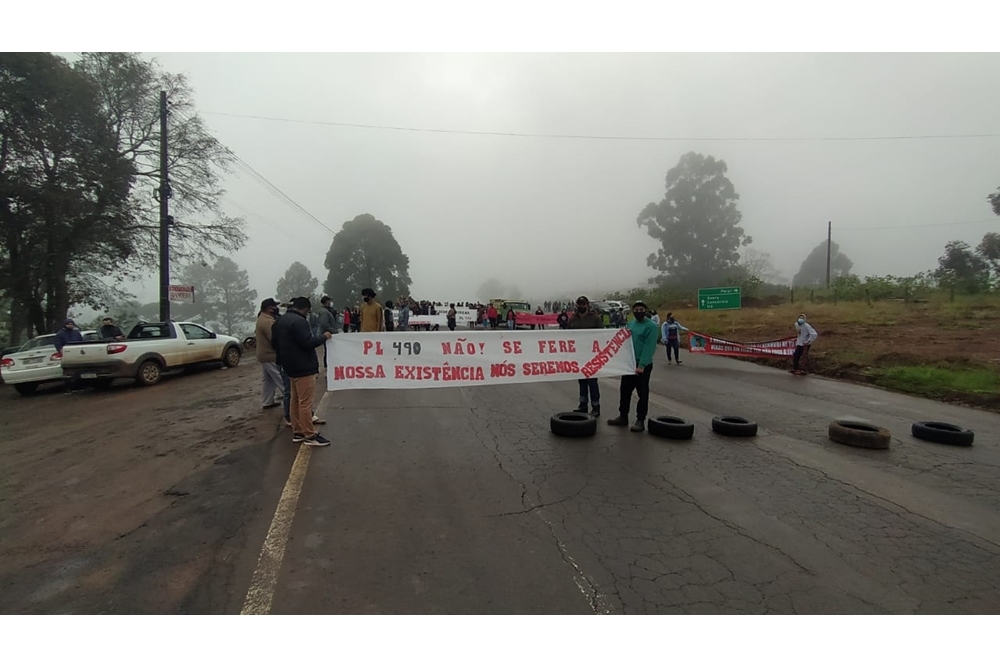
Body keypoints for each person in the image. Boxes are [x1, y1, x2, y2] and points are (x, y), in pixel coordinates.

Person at [271, 297, 333, 447]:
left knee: (295, 400)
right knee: (305, 403)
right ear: (305, 309)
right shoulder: (299, 322)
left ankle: (298, 432)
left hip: (289, 366)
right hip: (303, 367)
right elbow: (308, 343)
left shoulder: (279, 321)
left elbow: (274, 343)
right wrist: (323, 337)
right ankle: (310, 435)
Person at [607, 301, 660, 432]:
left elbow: (649, 347)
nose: (638, 311)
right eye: (636, 309)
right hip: (629, 364)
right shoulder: (631, 324)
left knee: (642, 393)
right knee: (624, 390)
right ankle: (623, 416)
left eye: (641, 309)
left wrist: (641, 365)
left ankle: (640, 420)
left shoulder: (651, 326)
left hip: (642, 365)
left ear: (645, 310)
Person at [568, 296, 602, 416]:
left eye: (583, 304)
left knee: (592, 382)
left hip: (592, 356)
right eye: (579, 304)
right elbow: (568, 336)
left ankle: (596, 406)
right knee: (581, 381)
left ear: (587, 305)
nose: (581, 306)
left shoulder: (595, 319)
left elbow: (602, 336)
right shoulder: (572, 319)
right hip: (578, 355)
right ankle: (583, 405)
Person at [255, 298, 284, 409]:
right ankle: (290, 399)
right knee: (280, 379)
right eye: (274, 307)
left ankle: (267, 401)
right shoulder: (267, 321)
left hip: (264, 355)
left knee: (268, 380)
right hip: (269, 355)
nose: (276, 309)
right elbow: (274, 338)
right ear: (268, 309)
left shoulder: (263, 318)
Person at [55, 318, 83, 395]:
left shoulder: (76, 333)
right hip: (67, 354)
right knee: (68, 372)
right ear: (65, 325)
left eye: (71, 324)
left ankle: (79, 387)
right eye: (68, 324)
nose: (70, 325)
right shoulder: (60, 334)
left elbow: (81, 341)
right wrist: (61, 351)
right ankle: (68, 388)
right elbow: (58, 344)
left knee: (79, 370)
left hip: (78, 354)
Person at [317, 296, 339, 369]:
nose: (331, 303)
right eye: (330, 301)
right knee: (328, 352)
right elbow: (325, 324)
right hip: (328, 335)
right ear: (326, 302)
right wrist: (334, 331)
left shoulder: (326, 311)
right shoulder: (324, 312)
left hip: (328, 334)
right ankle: (327, 368)